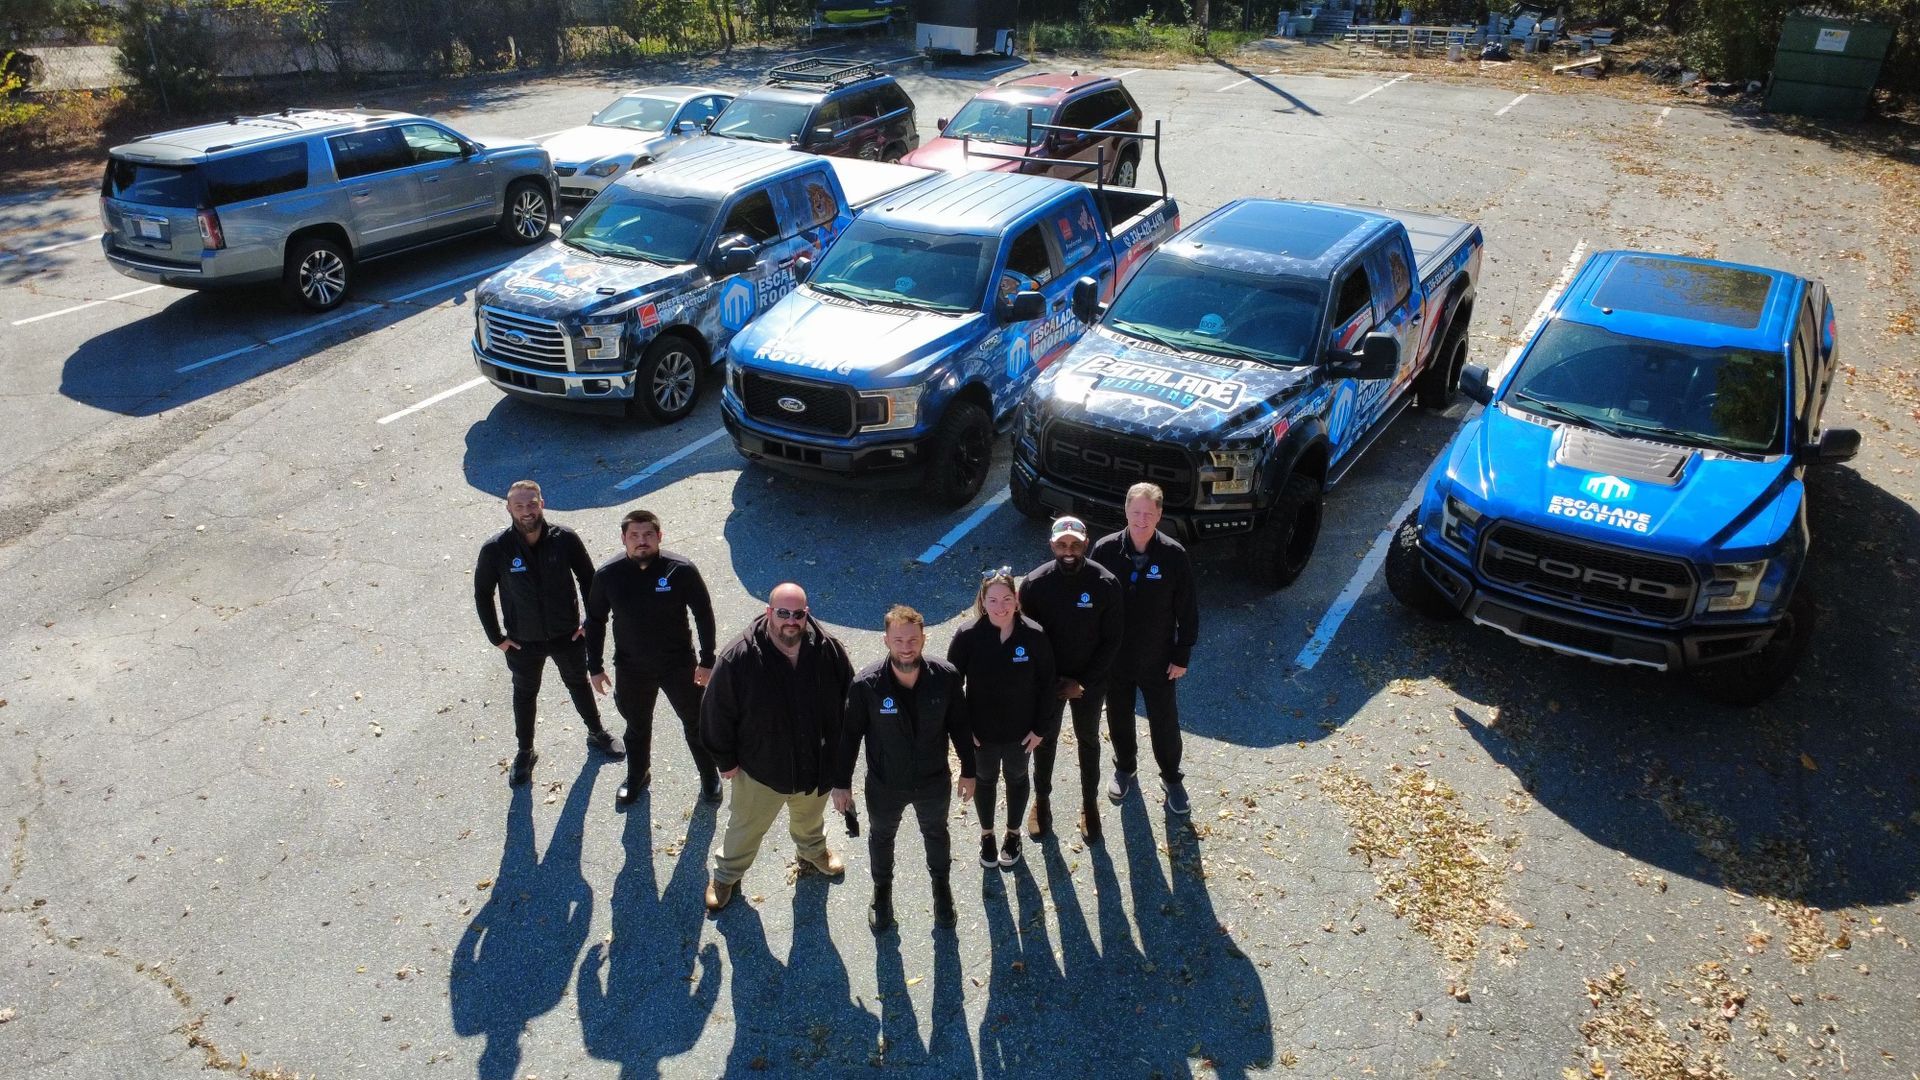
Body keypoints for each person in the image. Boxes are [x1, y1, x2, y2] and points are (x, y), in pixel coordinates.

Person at [700, 582, 855, 913]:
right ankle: (727, 875)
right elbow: (715, 712)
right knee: (745, 827)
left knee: (809, 819)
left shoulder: (828, 650)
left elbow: (849, 704)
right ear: (769, 612)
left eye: (798, 614)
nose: (791, 621)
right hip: (761, 770)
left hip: (814, 766)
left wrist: (841, 757)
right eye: (783, 613)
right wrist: (725, 760)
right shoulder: (738, 657)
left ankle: (813, 853)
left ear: (806, 615)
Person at [831, 605, 975, 932]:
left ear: (924, 638)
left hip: (933, 781)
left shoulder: (946, 677)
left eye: (912, 639)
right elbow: (849, 736)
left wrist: (969, 769)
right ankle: (882, 892)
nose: (906, 646)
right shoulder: (866, 685)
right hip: (885, 784)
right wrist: (841, 783)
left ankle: (942, 889)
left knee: (936, 833)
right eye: (898, 640)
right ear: (886, 641)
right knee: (881, 836)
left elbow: (961, 727)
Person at [474, 479, 620, 786]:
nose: (526, 511)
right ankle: (525, 751)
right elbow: (482, 593)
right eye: (519, 505)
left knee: (578, 684)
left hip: (566, 635)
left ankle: (597, 733)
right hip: (522, 642)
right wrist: (497, 638)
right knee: (525, 695)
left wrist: (589, 622)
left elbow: (589, 581)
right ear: (509, 508)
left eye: (532, 504)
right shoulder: (496, 549)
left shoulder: (564, 539)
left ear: (542, 503)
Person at [584, 509, 720, 809]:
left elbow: (703, 613)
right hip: (632, 668)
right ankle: (637, 776)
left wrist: (707, 660)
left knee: (695, 723)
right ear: (624, 539)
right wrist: (594, 666)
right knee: (636, 727)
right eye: (634, 535)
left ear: (659, 536)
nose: (641, 541)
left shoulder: (681, 569)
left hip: (680, 665)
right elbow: (594, 621)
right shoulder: (608, 575)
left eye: (648, 535)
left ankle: (709, 776)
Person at [1091, 482, 1199, 816]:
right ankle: (1125, 768)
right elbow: (1092, 606)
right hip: (1117, 660)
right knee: (1119, 716)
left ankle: (1171, 779)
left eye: (1148, 514)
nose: (1141, 519)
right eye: (1136, 512)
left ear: (1159, 515)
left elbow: (1188, 611)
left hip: (1159, 660)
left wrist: (1182, 655)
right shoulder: (1105, 551)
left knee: (1165, 722)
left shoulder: (1174, 555)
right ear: (1125, 510)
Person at [1019, 515, 1124, 840]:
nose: (1068, 551)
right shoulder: (1035, 585)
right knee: (1044, 740)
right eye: (1062, 544)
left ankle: (1089, 805)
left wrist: (1085, 683)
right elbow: (1028, 639)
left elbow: (1112, 641)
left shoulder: (1105, 584)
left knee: (1088, 741)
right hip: (1048, 682)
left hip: (1088, 683)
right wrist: (1049, 682)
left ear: (1086, 544)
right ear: (1052, 545)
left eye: (1075, 545)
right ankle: (1042, 800)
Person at [947, 569, 1055, 870]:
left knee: (1017, 778)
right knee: (985, 779)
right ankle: (987, 835)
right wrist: (963, 730)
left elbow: (1047, 684)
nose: (1000, 606)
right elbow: (951, 688)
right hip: (982, 733)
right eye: (992, 600)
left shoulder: (1034, 635)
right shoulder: (968, 636)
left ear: (1017, 600)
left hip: (1021, 733)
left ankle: (1012, 834)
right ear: (983, 601)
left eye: (1007, 599)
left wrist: (1040, 728)